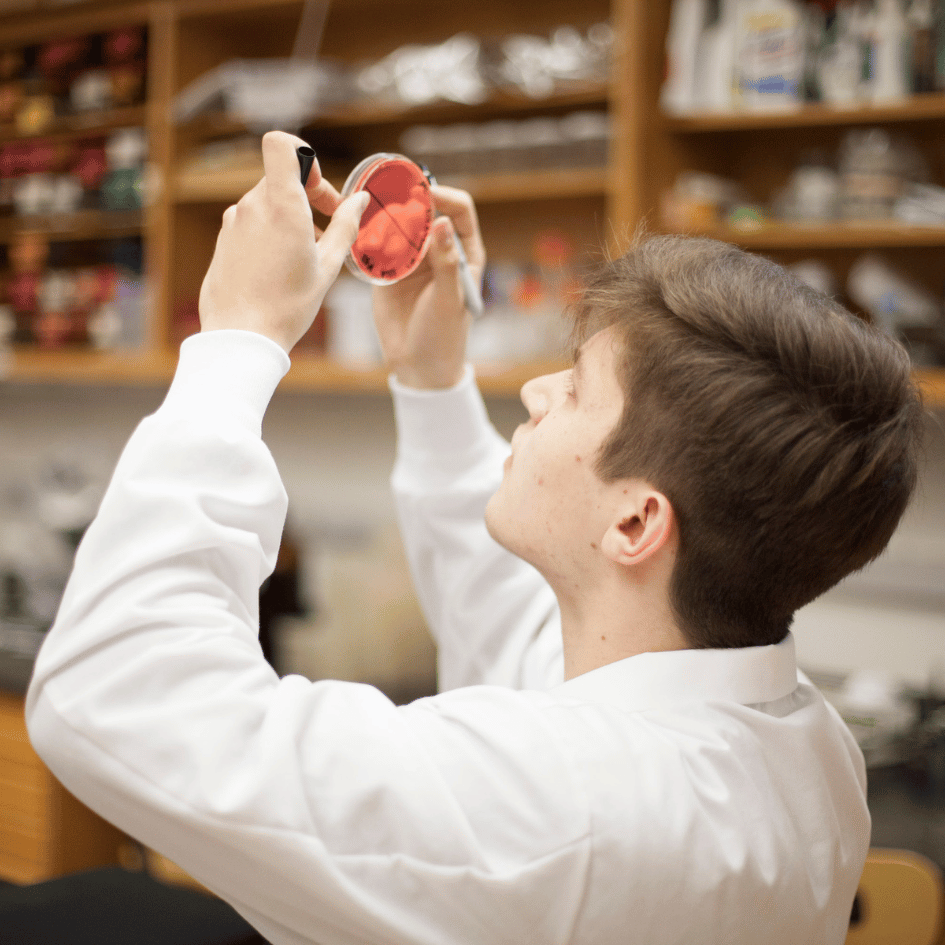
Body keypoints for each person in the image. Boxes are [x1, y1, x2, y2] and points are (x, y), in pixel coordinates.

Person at [25, 131, 923, 945]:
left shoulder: (563, 812)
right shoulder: (804, 744)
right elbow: (522, 643)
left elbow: (113, 692)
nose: (534, 392)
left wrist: (237, 340)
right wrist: (432, 378)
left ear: (637, 520)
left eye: (573, 389)